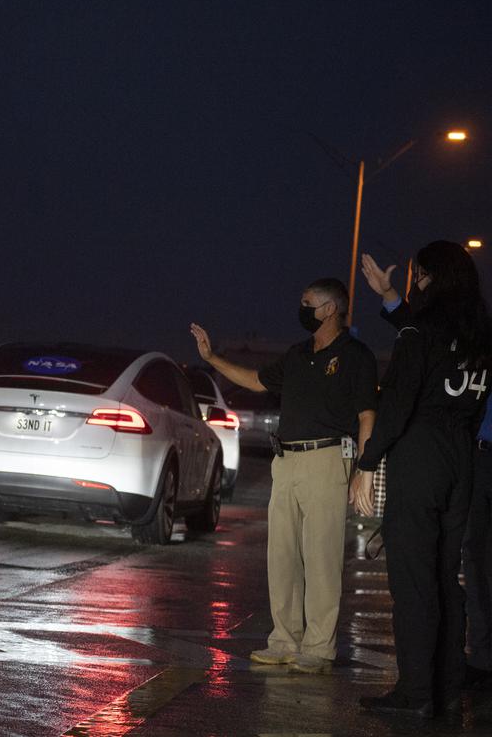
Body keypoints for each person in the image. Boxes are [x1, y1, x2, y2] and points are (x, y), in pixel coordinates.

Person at [191, 279, 377, 674]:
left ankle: (319, 647)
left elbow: (366, 415)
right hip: (287, 461)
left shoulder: (356, 356)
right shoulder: (297, 355)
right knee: (283, 556)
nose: (302, 308)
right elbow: (257, 380)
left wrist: (364, 468)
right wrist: (212, 358)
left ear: (330, 309)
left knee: (322, 557)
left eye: (308, 303)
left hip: (327, 458)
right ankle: (285, 640)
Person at [352, 243, 492, 716]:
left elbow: (397, 402)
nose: (415, 283)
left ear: (429, 278)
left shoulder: (419, 329)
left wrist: (367, 464)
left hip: (422, 456)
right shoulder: (479, 333)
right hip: (461, 459)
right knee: (445, 580)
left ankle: (414, 695)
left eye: (417, 276)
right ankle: (447, 688)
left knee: (413, 581)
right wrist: (391, 296)